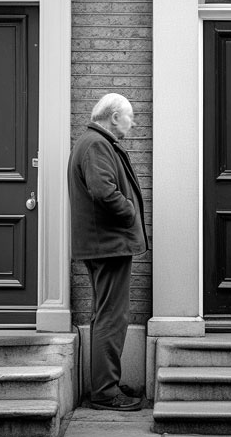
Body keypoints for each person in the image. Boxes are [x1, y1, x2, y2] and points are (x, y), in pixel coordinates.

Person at [68, 93, 149, 412]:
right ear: (114, 116)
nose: (133, 122)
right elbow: (103, 191)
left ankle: (107, 383)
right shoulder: (97, 144)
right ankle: (104, 391)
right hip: (108, 244)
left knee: (107, 313)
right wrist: (129, 212)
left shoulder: (93, 142)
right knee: (112, 316)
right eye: (130, 116)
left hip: (105, 244)